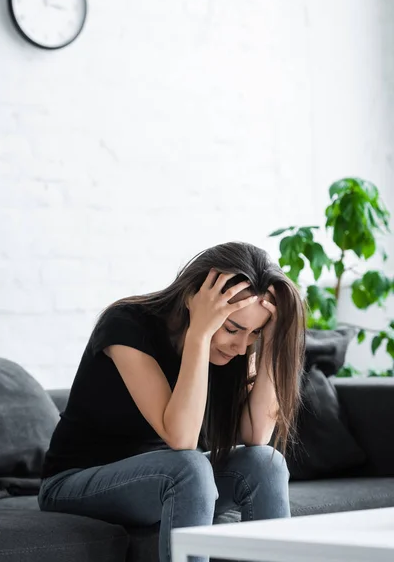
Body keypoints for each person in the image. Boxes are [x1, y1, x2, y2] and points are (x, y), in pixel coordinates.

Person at [39, 241, 305, 562]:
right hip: (75, 483)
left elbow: (256, 436)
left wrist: (273, 342)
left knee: (267, 463)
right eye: (233, 328)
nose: (240, 346)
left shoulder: (234, 351)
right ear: (195, 300)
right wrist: (200, 334)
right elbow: (181, 439)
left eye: (255, 333)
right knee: (190, 467)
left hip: (166, 484)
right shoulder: (126, 324)